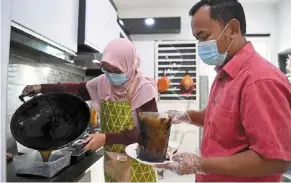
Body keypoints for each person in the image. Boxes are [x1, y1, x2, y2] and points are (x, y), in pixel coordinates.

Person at [159, 0, 291, 182]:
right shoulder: (225, 74)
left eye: (204, 37)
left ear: (233, 29)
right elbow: (222, 121)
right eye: (197, 39)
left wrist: (200, 164)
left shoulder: (260, 81)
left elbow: (274, 160)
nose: (200, 46)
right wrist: (187, 115)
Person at [22, 38, 158, 182]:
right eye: (106, 69)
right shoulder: (104, 83)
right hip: (114, 164)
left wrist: (106, 138)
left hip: (138, 165)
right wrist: (41, 88)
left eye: (117, 70)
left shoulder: (143, 88)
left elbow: (149, 134)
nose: (111, 75)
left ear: (129, 65)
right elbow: (78, 89)